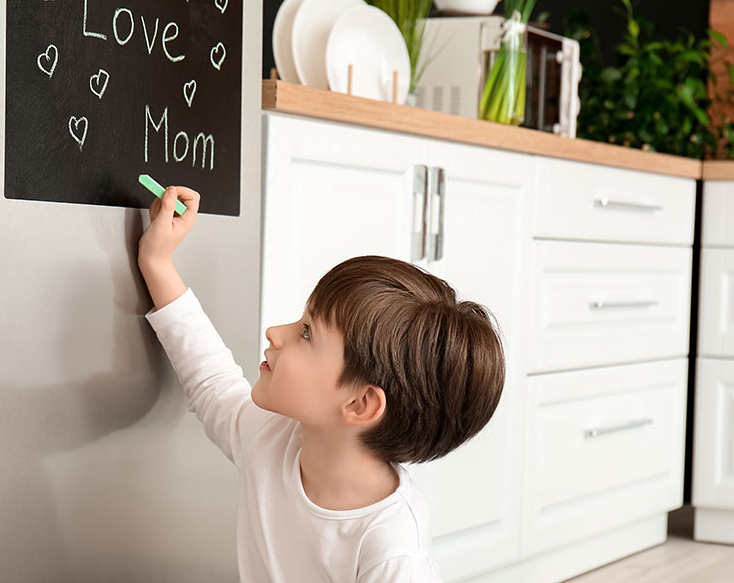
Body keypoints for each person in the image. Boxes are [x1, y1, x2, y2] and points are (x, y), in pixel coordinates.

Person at [138, 186, 506, 582]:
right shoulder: (272, 439)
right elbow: (211, 380)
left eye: (308, 333)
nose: (275, 332)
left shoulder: (393, 552)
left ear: (360, 404)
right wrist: (157, 262)